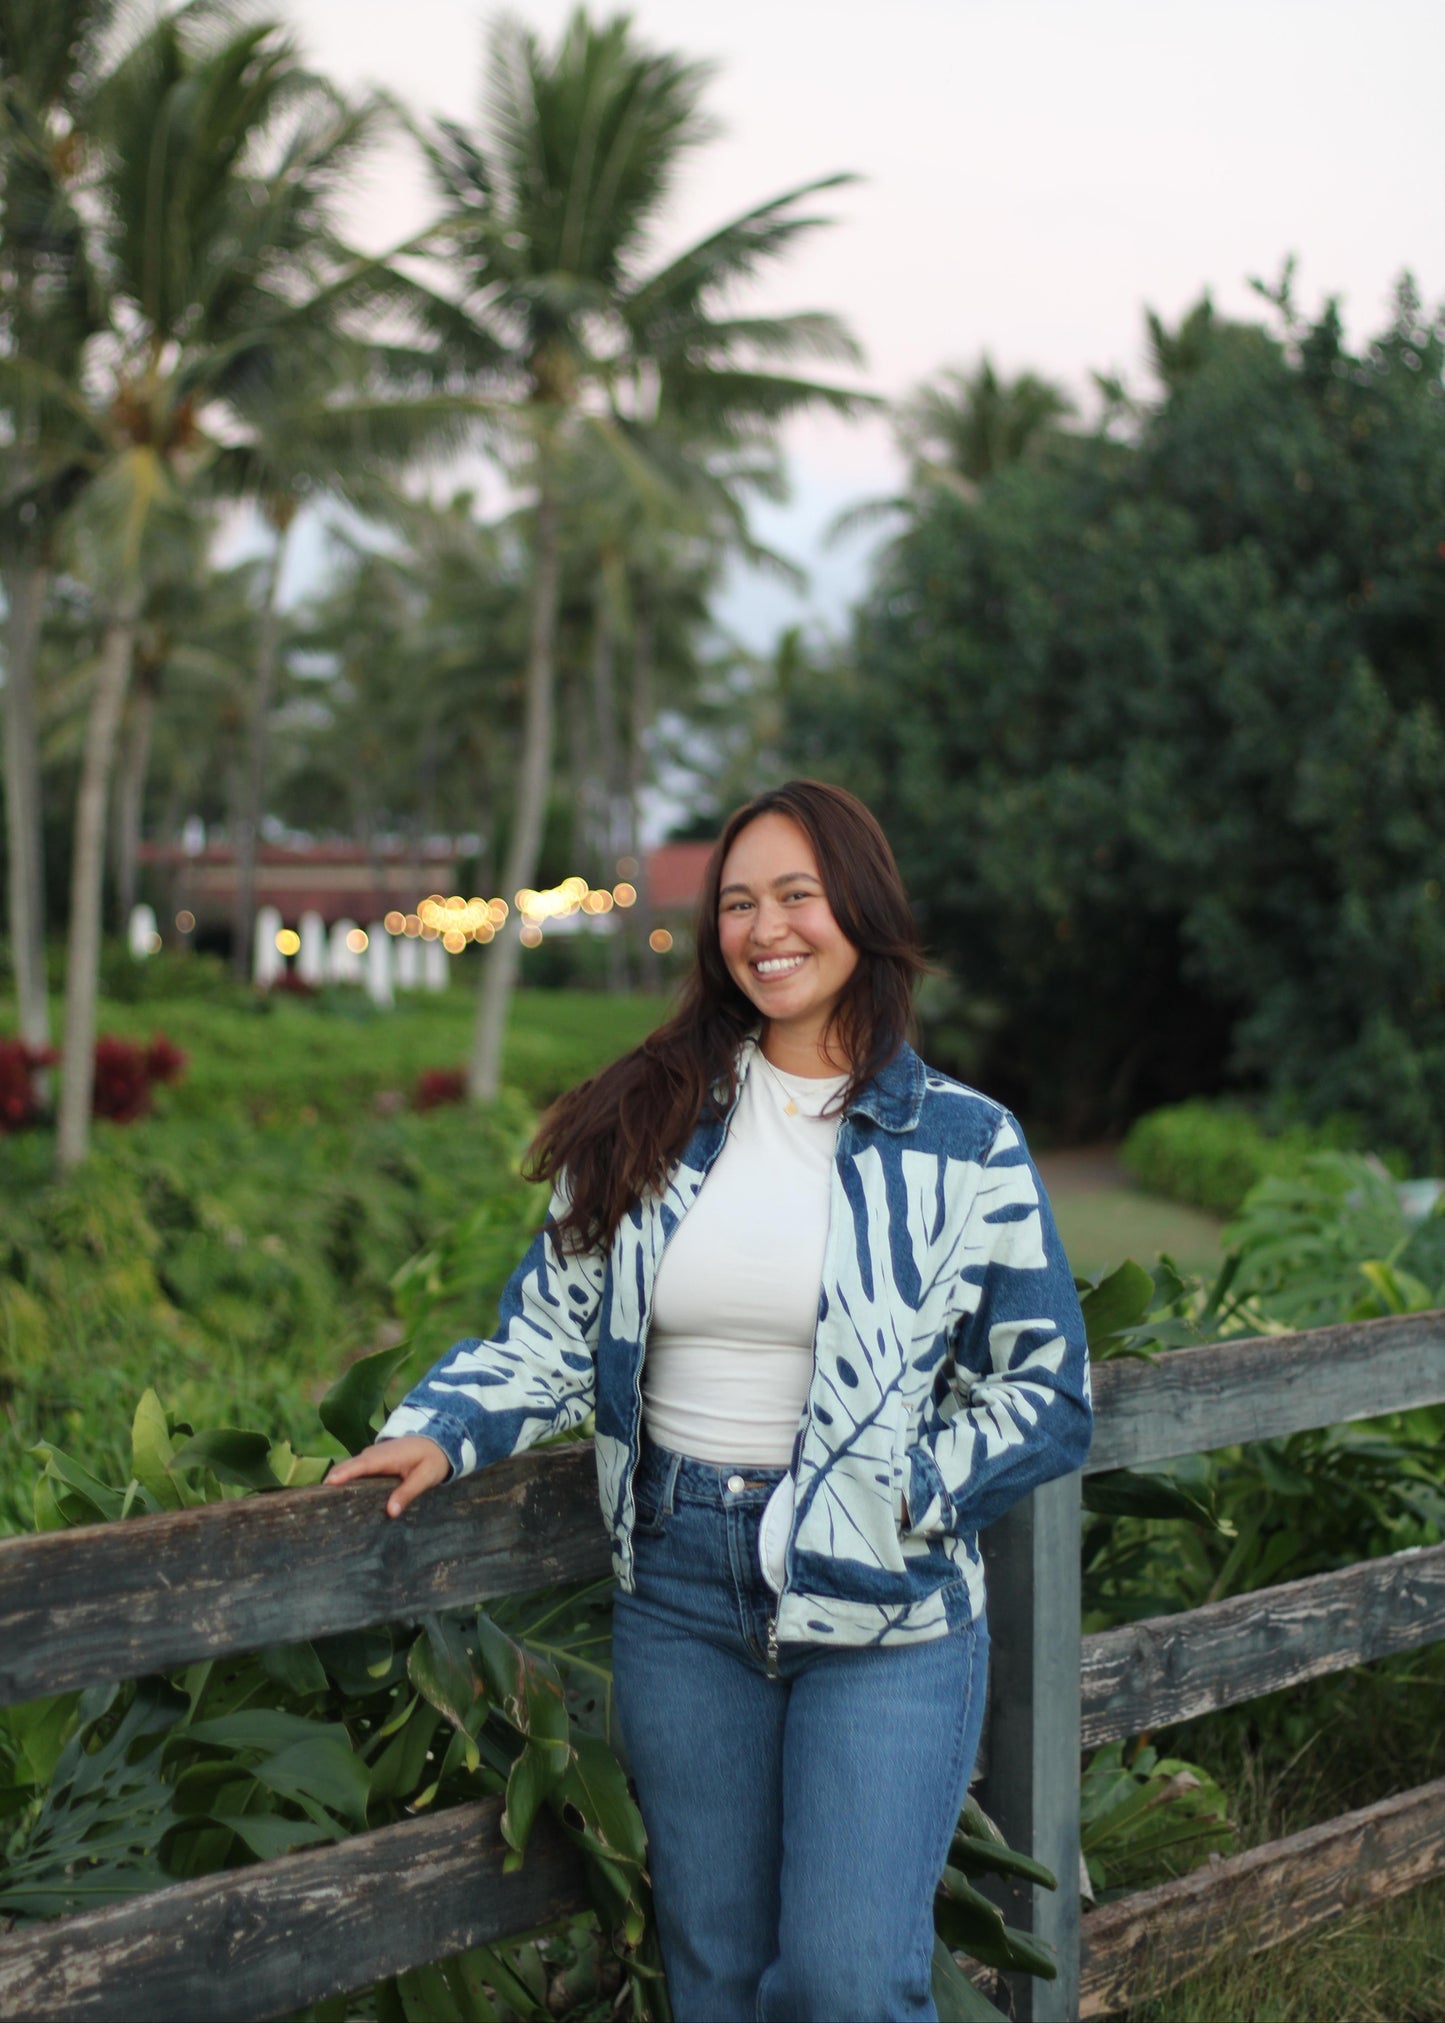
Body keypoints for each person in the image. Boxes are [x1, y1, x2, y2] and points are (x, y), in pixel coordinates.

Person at [329, 780, 1092, 2023]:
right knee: (717, 1978)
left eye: (796, 894)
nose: (765, 927)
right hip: (678, 1587)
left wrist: (889, 1488)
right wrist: (439, 1428)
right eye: (738, 903)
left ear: (860, 909)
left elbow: (1047, 1391)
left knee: (847, 1984)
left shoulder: (965, 1142)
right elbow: (548, 1331)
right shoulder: (650, 1113)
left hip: (885, 1604)